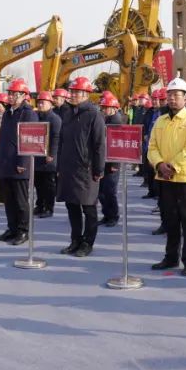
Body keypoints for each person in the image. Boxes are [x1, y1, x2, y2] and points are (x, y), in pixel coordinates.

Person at [147, 77, 186, 275]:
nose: (172, 99)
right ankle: (171, 257)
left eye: (176, 95)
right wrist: (159, 164)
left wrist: (172, 166)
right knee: (170, 220)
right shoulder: (160, 121)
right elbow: (152, 147)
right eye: (169, 95)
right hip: (164, 178)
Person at [57, 77, 106, 257]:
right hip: (69, 168)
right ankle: (75, 240)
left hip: (87, 170)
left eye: (77, 92)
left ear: (86, 94)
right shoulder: (68, 113)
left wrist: (99, 169)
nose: (73, 95)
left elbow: (99, 145)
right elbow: (62, 141)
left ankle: (87, 243)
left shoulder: (94, 115)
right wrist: (59, 165)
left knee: (89, 208)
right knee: (72, 206)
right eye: (72, 91)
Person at [0, 79, 38, 244]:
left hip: (19, 164)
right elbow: (2, 139)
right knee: (9, 200)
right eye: (10, 93)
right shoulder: (8, 113)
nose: (11, 96)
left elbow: (30, 140)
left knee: (21, 201)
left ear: (23, 95)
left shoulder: (28, 113)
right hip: (6, 162)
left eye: (14, 94)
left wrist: (23, 163)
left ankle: (23, 231)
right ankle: (12, 228)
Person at [32, 90, 62, 219]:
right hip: (37, 155)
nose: (40, 105)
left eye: (43, 102)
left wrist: (51, 154)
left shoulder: (55, 119)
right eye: (39, 102)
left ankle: (49, 208)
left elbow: (56, 138)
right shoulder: (36, 117)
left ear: (50, 103)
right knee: (38, 183)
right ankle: (40, 205)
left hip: (49, 157)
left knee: (49, 185)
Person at [99, 91, 126, 227]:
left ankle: (113, 216)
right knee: (102, 191)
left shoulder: (116, 121)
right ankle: (107, 214)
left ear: (114, 108)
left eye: (106, 108)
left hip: (112, 162)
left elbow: (117, 144)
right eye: (103, 108)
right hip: (104, 159)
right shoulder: (106, 119)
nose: (104, 110)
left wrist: (115, 163)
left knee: (109, 191)